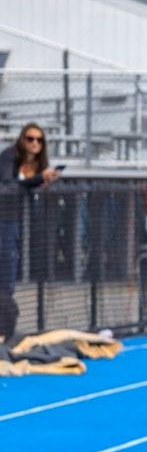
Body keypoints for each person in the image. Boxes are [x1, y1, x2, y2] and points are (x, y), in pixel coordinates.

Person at [1, 124, 60, 339]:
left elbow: (25, 188)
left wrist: (43, 181)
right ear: (22, 140)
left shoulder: (37, 163)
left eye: (39, 140)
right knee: (6, 269)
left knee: (8, 271)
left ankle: (4, 326)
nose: (35, 143)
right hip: (2, 218)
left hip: (13, 219)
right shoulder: (9, 156)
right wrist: (37, 179)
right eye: (30, 138)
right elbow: (8, 185)